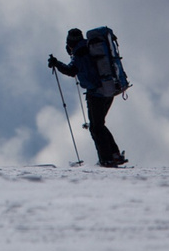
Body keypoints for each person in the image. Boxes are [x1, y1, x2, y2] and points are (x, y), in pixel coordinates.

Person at [49, 27, 127, 168]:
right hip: (109, 89)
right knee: (99, 125)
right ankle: (114, 155)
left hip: (96, 93)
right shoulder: (92, 47)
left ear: (69, 44)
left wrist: (56, 63)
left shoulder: (79, 54)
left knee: (96, 127)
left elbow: (71, 70)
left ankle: (107, 159)